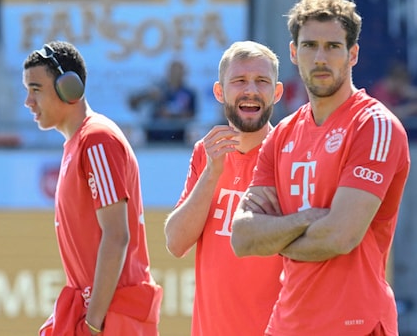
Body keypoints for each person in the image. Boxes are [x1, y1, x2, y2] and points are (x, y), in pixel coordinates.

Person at [231, 0, 410, 336]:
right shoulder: (281, 134)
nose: (321, 58)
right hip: (287, 324)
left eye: (333, 46)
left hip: (355, 323)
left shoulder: (374, 126)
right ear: (294, 53)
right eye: (310, 46)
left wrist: (275, 237)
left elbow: (339, 237)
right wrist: (306, 219)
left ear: (353, 54)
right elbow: (242, 237)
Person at [23, 40, 162, 335]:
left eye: (35, 89)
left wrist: (93, 324)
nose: (28, 101)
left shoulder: (96, 139)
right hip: (98, 310)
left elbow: (116, 235)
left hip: (111, 315)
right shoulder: (82, 142)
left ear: (68, 87)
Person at [164, 41, 284, 336]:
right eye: (240, 81)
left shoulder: (292, 155)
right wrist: (212, 172)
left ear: (277, 93)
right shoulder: (206, 154)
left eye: (262, 81)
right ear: (219, 92)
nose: (251, 90)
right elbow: (175, 242)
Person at [128, 60, 197, 143]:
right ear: (168, 72)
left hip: (177, 138)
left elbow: (192, 114)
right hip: (153, 137)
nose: (175, 74)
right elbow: (133, 103)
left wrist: (171, 114)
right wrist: (147, 96)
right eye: (173, 71)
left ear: (184, 73)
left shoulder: (188, 93)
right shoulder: (157, 88)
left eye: (178, 72)